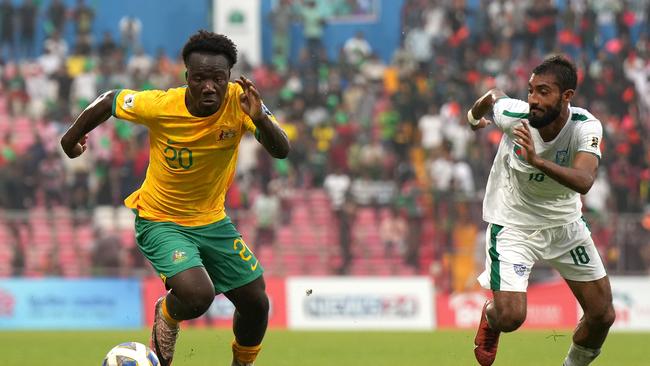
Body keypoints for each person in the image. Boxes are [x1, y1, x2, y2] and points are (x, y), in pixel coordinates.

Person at [60, 30, 290, 366]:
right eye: (200, 78)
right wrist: (71, 139)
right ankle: (167, 313)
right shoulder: (162, 105)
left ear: (229, 78)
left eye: (218, 79)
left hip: (212, 220)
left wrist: (259, 119)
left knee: (257, 302)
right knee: (198, 296)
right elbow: (110, 100)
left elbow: (281, 149)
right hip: (161, 219)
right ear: (188, 78)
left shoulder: (242, 102)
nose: (209, 86)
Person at [466, 55, 615, 366]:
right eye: (531, 90)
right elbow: (493, 96)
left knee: (602, 314)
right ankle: (491, 318)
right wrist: (472, 117)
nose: (532, 99)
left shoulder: (585, 127)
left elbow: (585, 180)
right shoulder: (515, 116)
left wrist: (538, 162)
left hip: (565, 225)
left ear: (567, 96)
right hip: (513, 224)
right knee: (510, 316)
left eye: (543, 92)